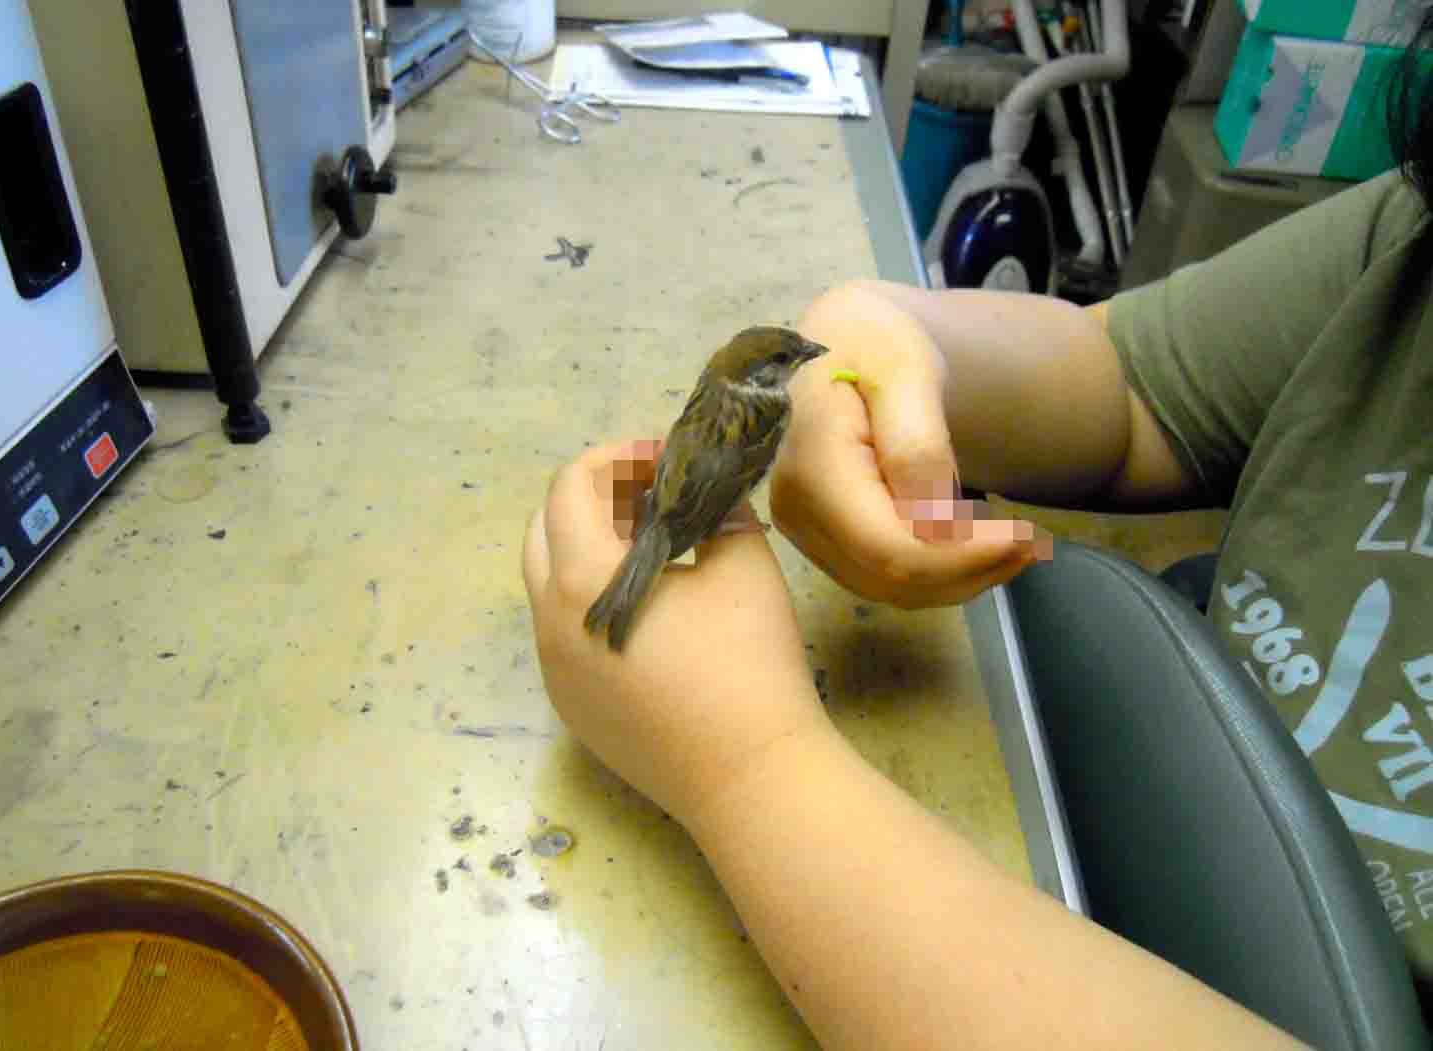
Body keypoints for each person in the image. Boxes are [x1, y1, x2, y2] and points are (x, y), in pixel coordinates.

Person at [522, 15, 1433, 1048]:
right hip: (1112, 799)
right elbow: (1133, 382)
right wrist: (898, 342)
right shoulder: (1403, 245)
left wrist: (746, 763)